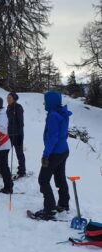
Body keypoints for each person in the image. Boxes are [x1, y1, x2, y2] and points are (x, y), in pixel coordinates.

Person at [35, 91, 72, 220]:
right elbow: (63, 134)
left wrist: (46, 155)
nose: (44, 103)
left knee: (43, 180)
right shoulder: (62, 113)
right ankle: (64, 204)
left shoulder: (53, 116)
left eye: (46, 101)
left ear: (51, 102)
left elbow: (52, 137)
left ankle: (50, 209)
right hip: (64, 151)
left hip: (55, 153)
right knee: (60, 177)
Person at [6, 92, 26, 178]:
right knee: (4, 152)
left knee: (19, 153)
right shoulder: (8, 108)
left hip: (17, 135)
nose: (8, 99)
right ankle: (2, 168)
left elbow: (21, 122)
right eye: (7, 98)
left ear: (14, 99)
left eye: (10, 98)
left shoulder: (18, 107)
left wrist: (20, 135)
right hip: (8, 134)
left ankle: (22, 171)